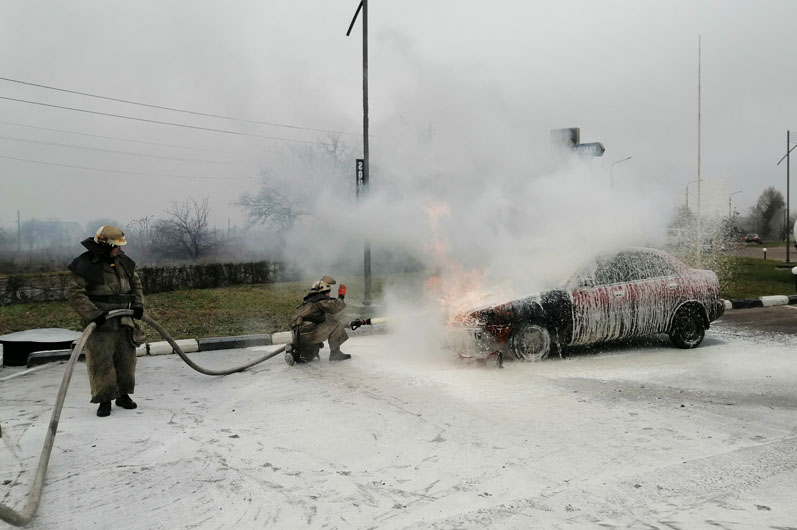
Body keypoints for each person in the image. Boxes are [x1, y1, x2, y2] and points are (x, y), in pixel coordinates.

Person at [67, 225, 145, 417]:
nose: (120, 249)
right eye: (116, 246)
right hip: (100, 323)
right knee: (101, 363)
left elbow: (136, 284)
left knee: (126, 360)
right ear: (104, 246)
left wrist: (138, 305)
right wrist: (93, 314)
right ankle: (104, 400)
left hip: (124, 320)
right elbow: (75, 293)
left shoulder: (122, 261)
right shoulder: (85, 264)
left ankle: (123, 395)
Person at [290, 275, 351, 362]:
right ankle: (335, 353)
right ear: (323, 291)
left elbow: (320, 321)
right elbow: (334, 308)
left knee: (308, 357)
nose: (329, 294)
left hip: (299, 336)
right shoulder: (319, 300)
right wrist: (341, 296)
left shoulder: (307, 302)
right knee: (336, 324)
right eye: (328, 291)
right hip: (310, 334)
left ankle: (297, 353)